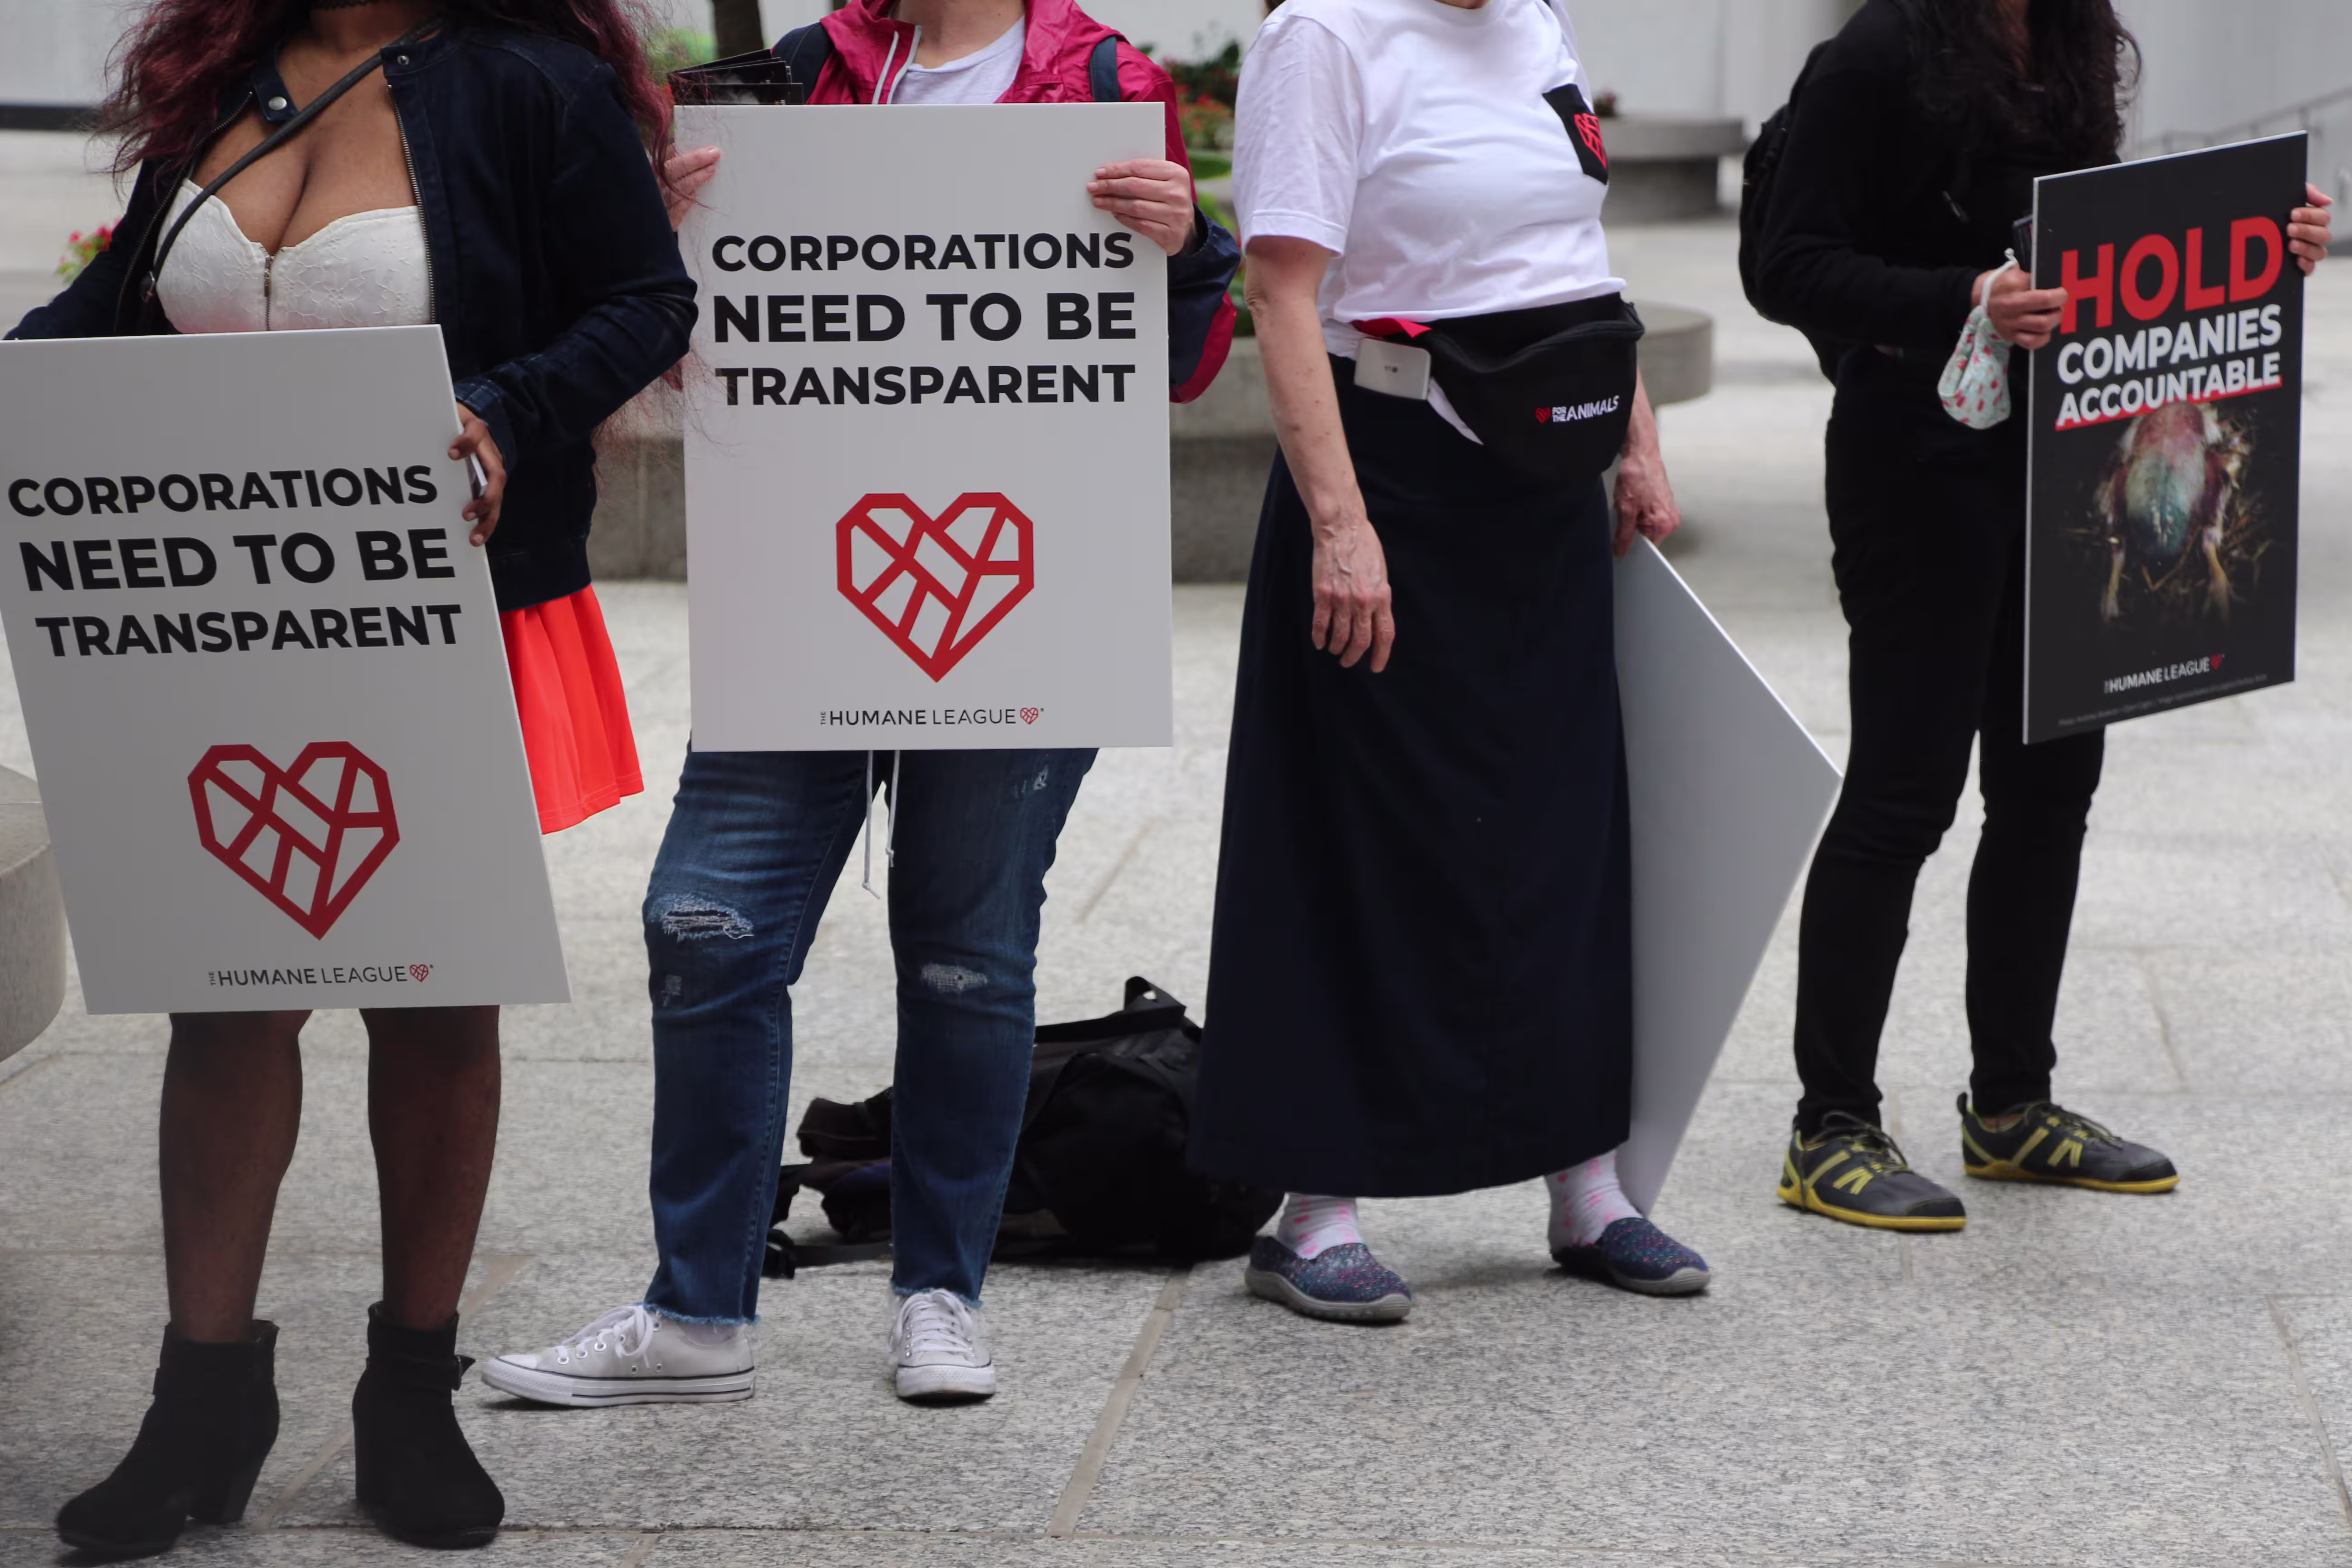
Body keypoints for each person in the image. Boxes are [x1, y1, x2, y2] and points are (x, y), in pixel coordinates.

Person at [481, 0, 1239, 1407]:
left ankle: (942, 1291)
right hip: (806, 591)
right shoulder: (793, 79)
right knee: (705, 929)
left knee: (967, 954)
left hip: (1022, 585)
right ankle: (697, 1312)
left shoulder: (1101, 77)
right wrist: (652, 228)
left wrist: (1185, 253)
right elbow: (662, 325)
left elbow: (1185, 363)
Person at [11, 0, 694, 1553]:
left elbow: (646, 301)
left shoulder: (534, 82)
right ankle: (203, 1398)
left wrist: (506, 414)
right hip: (205, 602)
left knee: (435, 990)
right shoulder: (212, 76)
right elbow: (115, 306)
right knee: (223, 987)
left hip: (440, 600)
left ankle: (411, 1395)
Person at [1753, 0, 2332, 1229]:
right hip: (1918, 457)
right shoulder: (1874, 56)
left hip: (2064, 457)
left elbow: (2102, 244)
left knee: (2051, 783)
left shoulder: (2071, 37)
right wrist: (1964, 297)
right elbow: (1786, 263)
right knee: (1905, 792)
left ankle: (2011, 1106)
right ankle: (1830, 1126)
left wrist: (2263, 248)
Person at [1182, 0, 1709, 1325]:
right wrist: (1342, 527)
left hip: (1541, 482)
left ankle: (1587, 1182)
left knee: (1558, 834)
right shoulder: (1326, 35)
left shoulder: (1535, 23)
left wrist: (1636, 439)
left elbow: (1576, 255)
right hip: (1391, 475)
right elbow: (1285, 292)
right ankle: (1319, 1209)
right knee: (1356, 833)